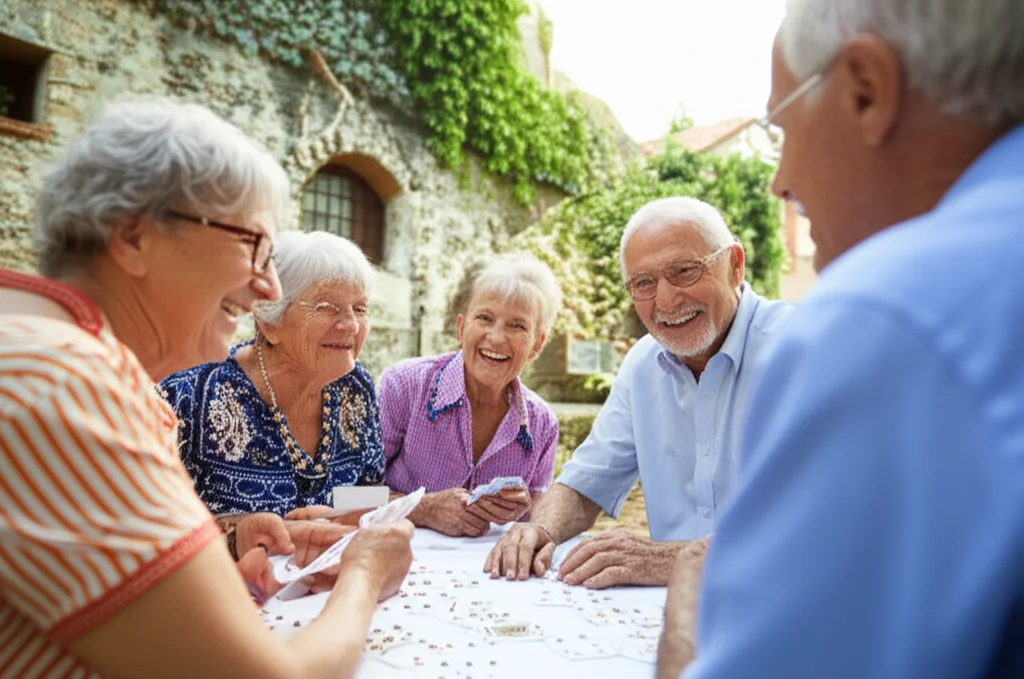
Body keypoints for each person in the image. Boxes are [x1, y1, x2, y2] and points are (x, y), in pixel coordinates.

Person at [664, 1, 1024, 678]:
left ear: (866, 89)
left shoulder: (886, 319)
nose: (781, 181)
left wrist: (689, 605)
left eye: (782, 128)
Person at [0, 98, 413, 679]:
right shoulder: (66, 388)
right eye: (253, 245)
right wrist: (366, 574)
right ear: (134, 237)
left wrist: (218, 551)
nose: (267, 287)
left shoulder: (50, 354)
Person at [485, 197, 794, 588]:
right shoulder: (643, 364)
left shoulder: (803, 349)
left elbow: (829, 522)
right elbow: (585, 485)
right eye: (644, 283)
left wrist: (672, 559)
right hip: (672, 610)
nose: (666, 301)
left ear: (735, 265)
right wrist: (540, 529)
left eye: (684, 271)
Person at [160, 230, 385, 524]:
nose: (352, 325)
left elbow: (366, 491)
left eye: (360, 308)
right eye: (327, 308)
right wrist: (246, 533)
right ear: (270, 320)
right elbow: (151, 523)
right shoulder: (189, 397)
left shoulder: (356, 387)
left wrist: (343, 517)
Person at [378, 253, 562, 537]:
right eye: (485, 318)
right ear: (461, 327)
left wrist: (528, 512)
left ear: (537, 345)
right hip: (395, 555)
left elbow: (538, 517)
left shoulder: (542, 424)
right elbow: (346, 496)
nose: (496, 337)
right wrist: (424, 508)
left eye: (517, 325)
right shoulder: (403, 386)